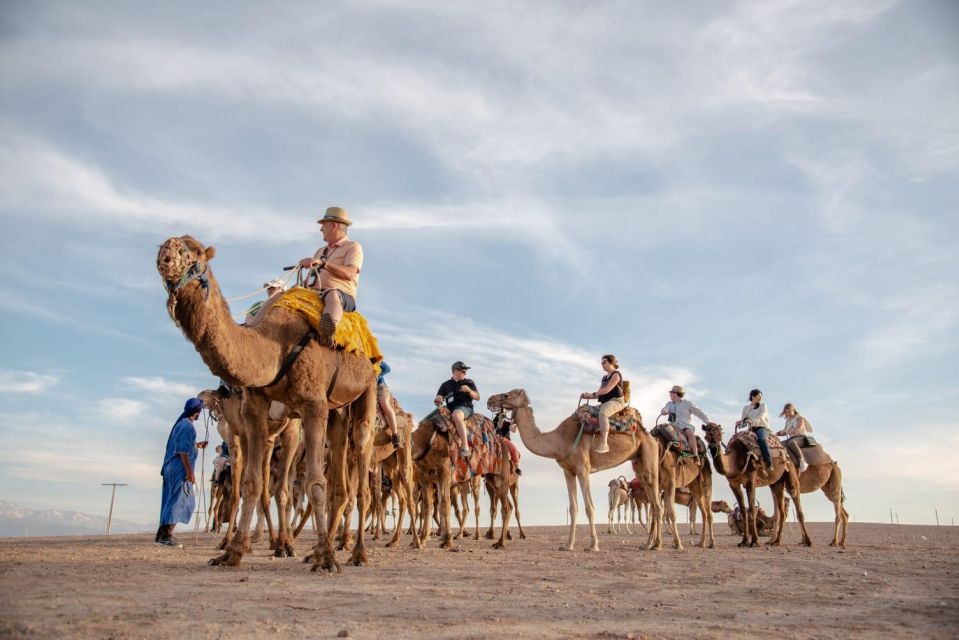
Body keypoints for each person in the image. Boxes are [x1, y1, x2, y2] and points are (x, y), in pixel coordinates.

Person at [297, 206, 363, 346]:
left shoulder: (353, 247)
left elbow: (350, 273)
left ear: (334, 225)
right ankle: (252, 325)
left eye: (323, 225)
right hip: (315, 292)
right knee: (283, 294)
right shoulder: (320, 251)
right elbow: (313, 278)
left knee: (332, 294)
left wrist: (323, 263)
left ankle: (328, 331)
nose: (321, 229)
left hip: (342, 295)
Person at [156, 397, 208, 546]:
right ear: (197, 412)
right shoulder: (187, 426)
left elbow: (183, 446)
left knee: (172, 499)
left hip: (172, 467)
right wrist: (189, 472)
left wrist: (196, 445)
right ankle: (167, 535)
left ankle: (163, 535)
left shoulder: (182, 424)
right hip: (179, 468)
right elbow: (182, 452)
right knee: (179, 501)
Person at [580, 354, 625, 454]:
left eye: (604, 362)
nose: (602, 365)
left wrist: (593, 394)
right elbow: (599, 393)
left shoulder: (616, 375)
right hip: (606, 402)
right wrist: (588, 396)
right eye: (601, 363)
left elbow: (607, 389)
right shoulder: (604, 378)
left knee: (603, 413)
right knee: (586, 411)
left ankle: (604, 444)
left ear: (611, 362)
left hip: (616, 401)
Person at [434, 361, 480, 460]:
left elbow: (477, 397)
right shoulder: (445, 385)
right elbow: (438, 400)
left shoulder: (469, 382)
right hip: (449, 409)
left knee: (457, 415)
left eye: (465, 371)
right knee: (432, 418)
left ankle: (465, 447)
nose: (465, 373)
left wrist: (469, 390)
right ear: (455, 371)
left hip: (465, 408)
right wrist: (438, 399)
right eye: (463, 371)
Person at [659, 385, 710, 463]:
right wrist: (664, 411)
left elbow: (699, 413)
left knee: (689, 432)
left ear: (676, 393)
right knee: (661, 431)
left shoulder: (687, 403)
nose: (670, 394)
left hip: (684, 426)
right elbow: (665, 409)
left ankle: (695, 455)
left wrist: (707, 422)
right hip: (672, 426)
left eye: (671, 393)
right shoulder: (669, 404)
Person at [736, 389, 772, 472]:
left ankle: (768, 462)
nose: (760, 398)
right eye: (759, 396)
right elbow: (744, 423)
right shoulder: (746, 408)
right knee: (739, 442)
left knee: (761, 439)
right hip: (751, 430)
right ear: (753, 396)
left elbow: (761, 417)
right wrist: (739, 424)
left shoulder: (763, 406)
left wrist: (752, 421)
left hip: (762, 427)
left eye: (761, 397)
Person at [777, 403, 811, 473]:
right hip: (792, 438)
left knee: (792, 443)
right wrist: (778, 433)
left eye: (789, 412)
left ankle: (803, 461)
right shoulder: (788, 420)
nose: (788, 413)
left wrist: (788, 431)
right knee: (780, 445)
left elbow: (798, 429)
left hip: (802, 437)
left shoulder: (799, 417)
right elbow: (784, 431)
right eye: (786, 412)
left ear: (793, 410)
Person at [377, 361, 401, 448]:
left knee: (384, 404)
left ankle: (395, 435)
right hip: (363, 387)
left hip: (379, 386)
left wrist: (375, 376)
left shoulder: (373, 356)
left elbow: (387, 369)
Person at [493, 410, 522, 475]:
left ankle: (517, 468)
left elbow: (513, 430)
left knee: (513, 449)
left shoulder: (508, 423)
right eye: (500, 413)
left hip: (505, 440)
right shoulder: (494, 422)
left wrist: (514, 425)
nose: (502, 414)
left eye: (503, 413)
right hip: (495, 441)